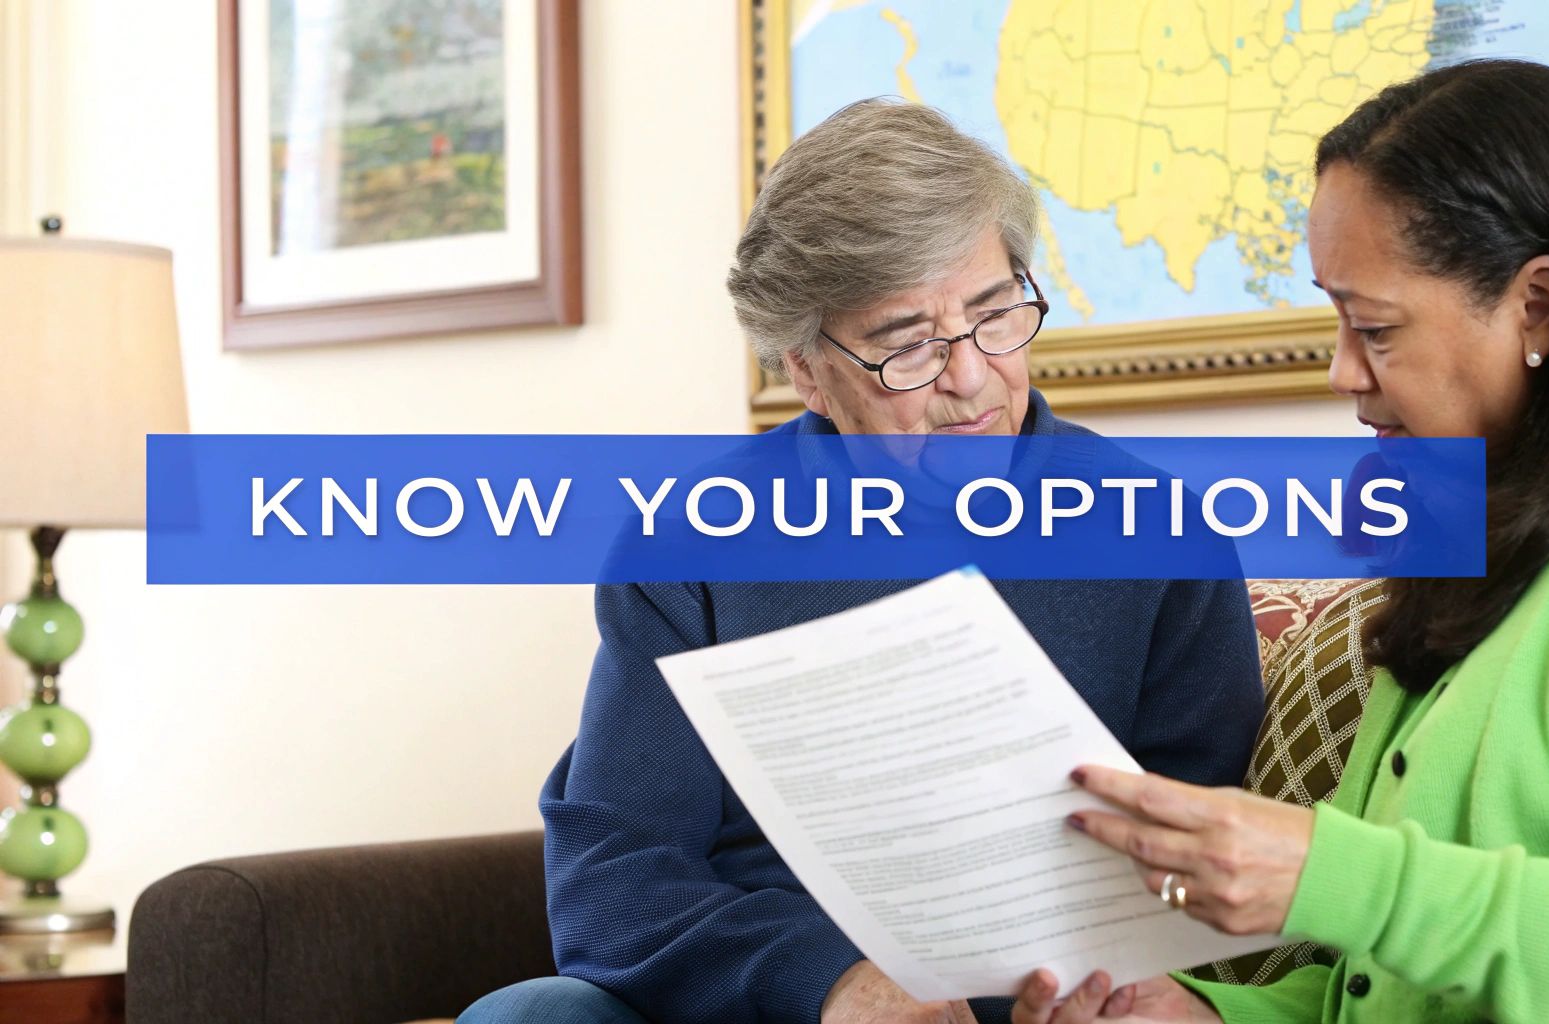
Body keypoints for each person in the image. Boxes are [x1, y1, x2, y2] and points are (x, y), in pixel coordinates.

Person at [1011, 58, 1549, 1024]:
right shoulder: (1469, 524)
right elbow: (1391, 994)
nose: (1343, 373)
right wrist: (1207, 1017)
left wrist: (1330, 871)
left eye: (1377, 328)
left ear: (1539, 305)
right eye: (1337, 318)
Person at [457, 99, 1266, 1024]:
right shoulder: (692, 542)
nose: (968, 379)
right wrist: (831, 984)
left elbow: (1204, 864)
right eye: (908, 347)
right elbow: (612, 880)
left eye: (996, 317)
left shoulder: (1158, 535)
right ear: (806, 371)